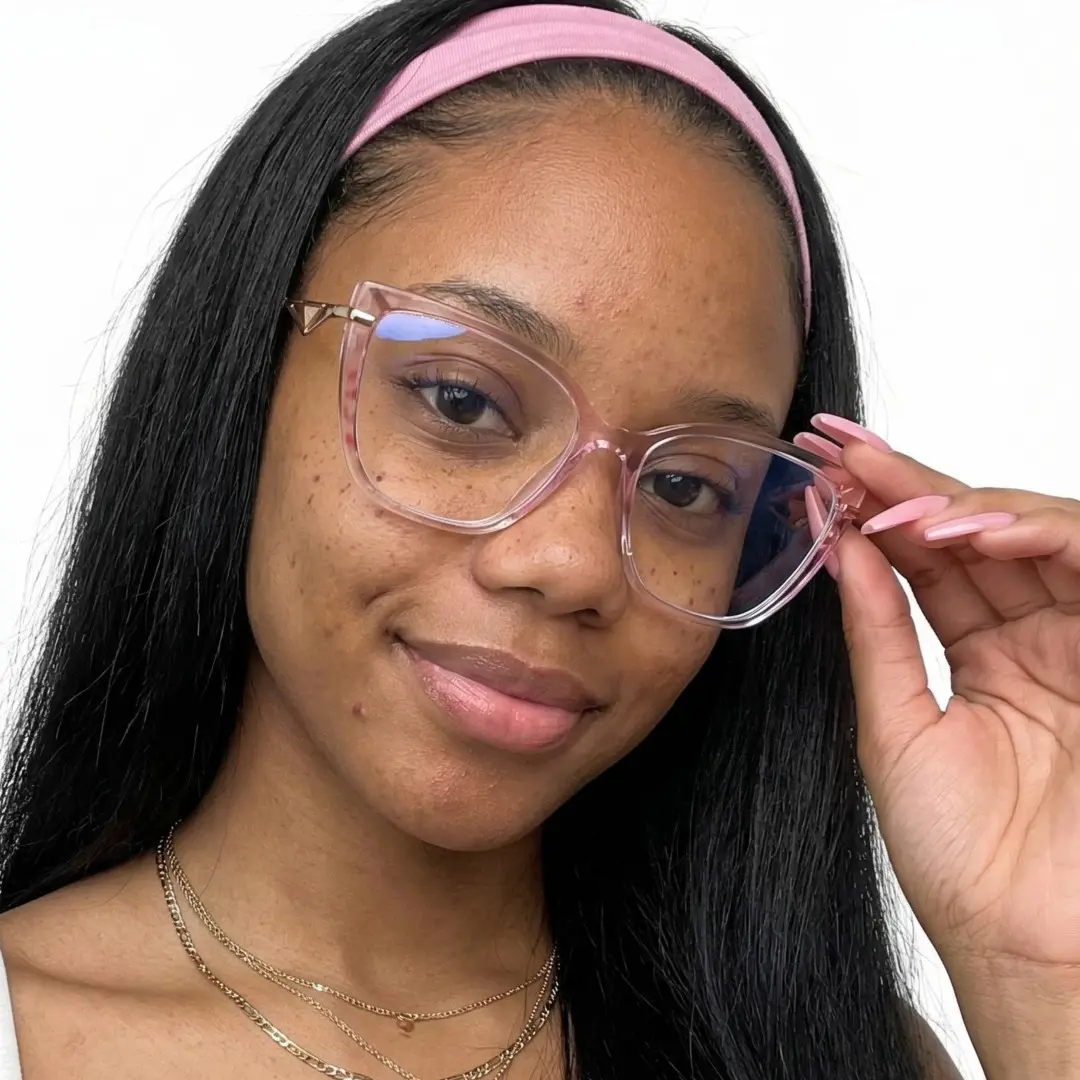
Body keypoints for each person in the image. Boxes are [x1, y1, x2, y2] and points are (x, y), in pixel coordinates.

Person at [0, 2, 1077, 1077]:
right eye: (464, 403)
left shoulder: (845, 1058)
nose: (573, 564)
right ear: (240, 368)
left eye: (689, 484)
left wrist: (1044, 982)